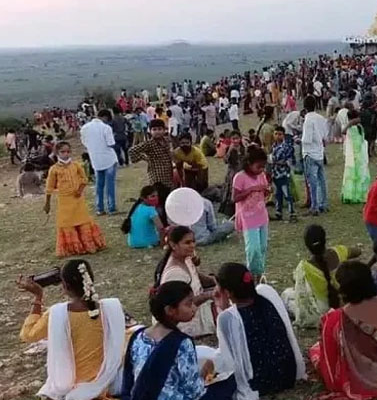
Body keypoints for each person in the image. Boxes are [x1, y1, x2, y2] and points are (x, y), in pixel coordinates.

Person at [17, 259, 125, 400]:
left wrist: (38, 297)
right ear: (90, 280)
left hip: (70, 388)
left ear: (65, 286)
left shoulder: (57, 313)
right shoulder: (110, 309)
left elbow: (28, 335)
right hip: (102, 384)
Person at [309, 261, 377, 399]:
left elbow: (330, 364)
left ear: (345, 290)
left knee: (315, 351)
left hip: (362, 380)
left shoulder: (335, 319)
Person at [212, 263, 306, 397]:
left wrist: (222, 307)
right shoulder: (266, 294)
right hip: (287, 373)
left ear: (227, 292)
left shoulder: (227, 318)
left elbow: (228, 359)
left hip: (261, 383)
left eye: (218, 286)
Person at [122, 281, 223, 400]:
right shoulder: (182, 343)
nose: (194, 307)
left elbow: (128, 381)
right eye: (188, 304)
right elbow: (194, 392)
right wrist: (204, 372)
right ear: (170, 310)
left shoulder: (138, 336)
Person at [282, 224, 362, 328]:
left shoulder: (303, 267)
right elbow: (357, 252)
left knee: (286, 294)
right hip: (341, 303)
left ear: (307, 246)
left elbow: (296, 282)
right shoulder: (338, 252)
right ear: (325, 240)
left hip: (318, 311)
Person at [45, 141, 106, 257]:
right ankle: (72, 248)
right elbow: (49, 187)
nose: (66, 154)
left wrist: (80, 190)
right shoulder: (54, 169)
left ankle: (88, 245)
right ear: (57, 153)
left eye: (68, 151)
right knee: (67, 223)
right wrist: (47, 204)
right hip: (64, 200)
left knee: (83, 221)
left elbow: (84, 179)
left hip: (78, 199)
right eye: (63, 152)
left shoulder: (76, 165)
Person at [153, 226, 216, 337]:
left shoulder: (185, 258)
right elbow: (182, 306)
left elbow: (198, 277)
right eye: (187, 243)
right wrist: (210, 294)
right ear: (173, 245)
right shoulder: (175, 273)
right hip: (185, 319)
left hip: (196, 308)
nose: (192, 245)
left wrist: (216, 280)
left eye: (193, 241)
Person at [233, 146, 270, 282]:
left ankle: (259, 275)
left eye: (263, 167)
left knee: (262, 247)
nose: (261, 170)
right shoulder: (240, 177)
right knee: (253, 249)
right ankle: (252, 275)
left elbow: (265, 190)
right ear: (249, 164)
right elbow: (235, 198)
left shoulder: (261, 175)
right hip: (248, 218)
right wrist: (251, 190)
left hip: (261, 215)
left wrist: (266, 190)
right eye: (258, 167)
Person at [81, 109, 118, 215]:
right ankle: (111, 207)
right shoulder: (106, 128)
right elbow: (111, 143)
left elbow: (84, 143)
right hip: (109, 159)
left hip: (95, 159)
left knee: (99, 185)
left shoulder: (84, 128)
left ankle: (100, 208)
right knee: (110, 185)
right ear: (105, 117)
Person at [301, 95, 328, 215]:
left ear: (305, 108)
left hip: (310, 153)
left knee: (312, 182)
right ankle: (324, 203)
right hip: (319, 153)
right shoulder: (321, 118)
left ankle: (314, 206)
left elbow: (307, 139)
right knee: (321, 180)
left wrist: (298, 139)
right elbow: (325, 136)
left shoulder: (308, 120)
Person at [129, 119, 174, 190]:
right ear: (150, 131)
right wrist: (145, 158)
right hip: (156, 174)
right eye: (154, 129)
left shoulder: (166, 140)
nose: (157, 132)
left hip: (168, 173)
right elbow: (132, 151)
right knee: (158, 194)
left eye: (159, 129)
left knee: (168, 193)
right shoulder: (149, 143)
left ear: (164, 130)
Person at [341, 109, 370, 204]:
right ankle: (359, 195)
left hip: (354, 156)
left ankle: (352, 195)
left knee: (353, 176)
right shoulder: (358, 128)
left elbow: (343, 131)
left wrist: (350, 124)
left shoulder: (354, 128)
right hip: (360, 156)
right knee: (359, 176)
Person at [270, 126, 297, 221]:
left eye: (280, 134)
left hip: (284, 173)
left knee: (287, 194)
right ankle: (279, 212)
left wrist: (278, 162)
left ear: (283, 135)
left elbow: (291, 161)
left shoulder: (287, 147)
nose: (277, 136)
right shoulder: (273, 146)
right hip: (275, 173)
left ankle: (292, 213)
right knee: (278, 194)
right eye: (276, 134)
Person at [219, 130, 246, 216]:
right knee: (231, 190)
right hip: (232, 173)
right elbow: (225, 161)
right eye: (233, 139)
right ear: (230, 139)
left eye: (237, 138)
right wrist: (230, 151)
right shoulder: (228, 148)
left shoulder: (243, 148)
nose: (235, 141)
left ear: (240, 139)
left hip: (242, 172)